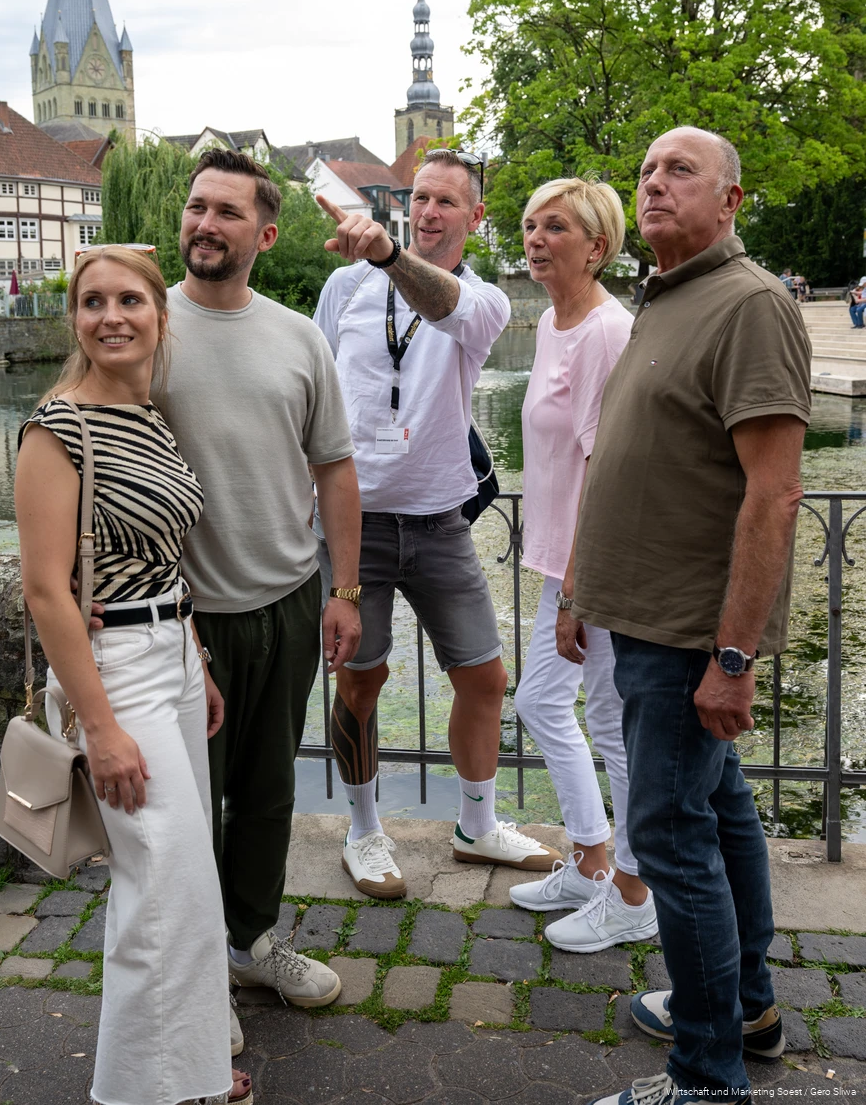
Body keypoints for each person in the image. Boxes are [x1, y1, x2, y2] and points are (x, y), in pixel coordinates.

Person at [572, 128, 811, 1105]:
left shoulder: (749, 306)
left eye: (682, 171)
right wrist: (587, 585)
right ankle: (745, 1007)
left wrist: (733, 655)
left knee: (670, 838)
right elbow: (642, 458)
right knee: (720, 814)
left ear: (732, 199)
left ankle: (707, 1079)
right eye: (647, 172)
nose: (656, 184)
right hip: (643, 616)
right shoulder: (666, 299)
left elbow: (774, 494)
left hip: (685, 635)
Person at [15, 246, 250, 1105]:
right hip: (112, 671)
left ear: (159, 314)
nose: (111, 316)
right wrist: (101, 724)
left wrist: (198, 661)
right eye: (92, 303)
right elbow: (46, 590)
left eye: (129, 300)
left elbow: (160, 561)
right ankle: (140, 1090)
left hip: (173, 658)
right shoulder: (58, 426)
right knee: (164, 885)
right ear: (75, 319)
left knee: (182, 886)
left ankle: (185, 1072)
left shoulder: (146, 415)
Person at [313, 147, 562, 900]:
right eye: (420, 198)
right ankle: (364, 831)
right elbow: (316, 393)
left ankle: (476, 827)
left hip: (440, 521)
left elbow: (438, 302)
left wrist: (387, 254)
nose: (429, 212)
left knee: (484, 677)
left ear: (475, 216)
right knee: (361, 681)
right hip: (354, 524)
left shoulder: (483, 303)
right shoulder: (344, 287)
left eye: (447, 202)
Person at [154, 150, 362, 1036]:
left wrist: (344, 588)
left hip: (287, 599)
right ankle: (197, 973)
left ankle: (251, 941)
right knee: (188, 803)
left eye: (227, 213)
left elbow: (336, 468)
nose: (206, 224)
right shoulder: (141, 320)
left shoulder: (297, 335)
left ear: (265, 235)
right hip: (181, 612)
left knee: (269, 791)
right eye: (197, 208)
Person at [508, 178, 657, 952]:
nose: (535, 238)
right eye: (530, 225)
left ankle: (633, 893)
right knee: (541, 701)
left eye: (554, 226)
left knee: (609, 719)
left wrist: (578, 584)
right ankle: (593, 858)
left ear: (597, 246)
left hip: (595, 565)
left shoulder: (607, 331)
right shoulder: (552, 325)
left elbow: (606, 463)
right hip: (561, 560)